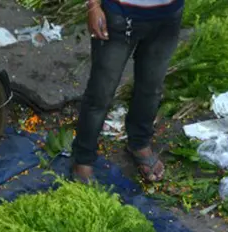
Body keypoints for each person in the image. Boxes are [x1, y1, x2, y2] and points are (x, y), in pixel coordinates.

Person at [71, 0, 183, 183]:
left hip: (168, 16)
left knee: (151, 87)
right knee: (101, 92)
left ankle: (139, 143)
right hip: (119, 15)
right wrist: (93, 6)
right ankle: (83, 157)